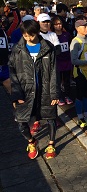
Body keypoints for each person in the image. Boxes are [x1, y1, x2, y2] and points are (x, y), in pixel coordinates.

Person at [9, 20, 59, 159]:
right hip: (25, 91)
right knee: (21, 121)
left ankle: (51, 143)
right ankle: (31, 141)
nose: (29, 38)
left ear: (37, 32)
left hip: (45, 90)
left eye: (31, 35)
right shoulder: (17, 50)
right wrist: (16, 94)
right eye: (25, 36)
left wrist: (54, 92)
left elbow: (54, 71)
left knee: (50, 118)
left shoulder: (47, 47)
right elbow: (12, 73)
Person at [51, 16, 73, 106]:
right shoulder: (52, 35)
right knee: (58, 81)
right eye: (56, 24)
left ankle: (67, 95)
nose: (58, 26)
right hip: (57, 61)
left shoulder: (66, 35)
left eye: (60, 24)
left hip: (67, 60)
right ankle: (60, 97)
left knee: (67, 80)